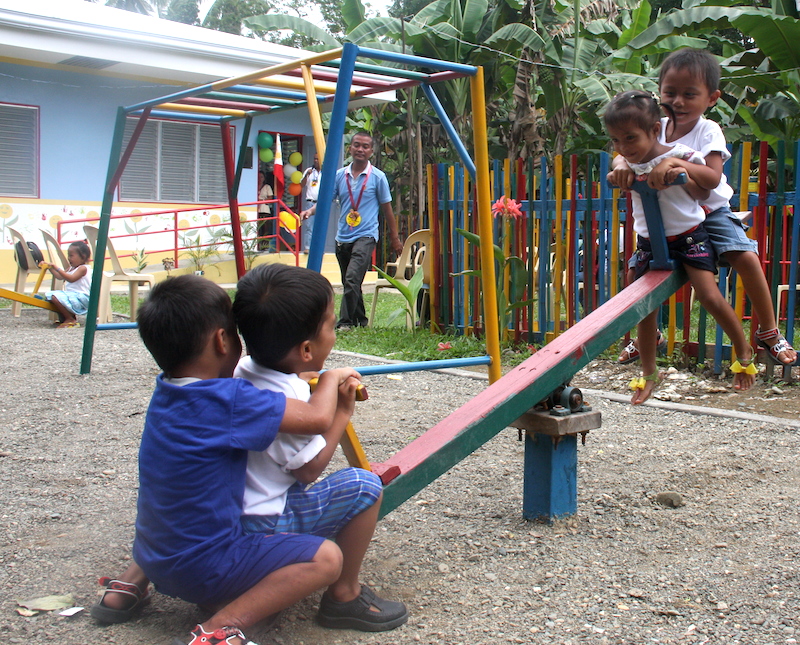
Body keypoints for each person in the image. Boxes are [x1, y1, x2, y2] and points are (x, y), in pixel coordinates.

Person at [91, 274, 361, 645]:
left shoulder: (168, 391)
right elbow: (316, 419)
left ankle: (129, 585)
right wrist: (331, 380)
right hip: (206, 568)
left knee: (176, 509)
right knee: (327, 559)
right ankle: (221, 627)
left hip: (153, 556)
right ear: (222, 340)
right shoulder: (228, 401)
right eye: (235, 334)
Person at [232, 263, 408, 631]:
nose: (334, 331)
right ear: (307, 349)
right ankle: (344, 594)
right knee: (365, 484)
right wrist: (341, 409)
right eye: (330, 324)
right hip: (265, 522)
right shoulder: (289, 398)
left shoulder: (242, 370)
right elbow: (309, 469)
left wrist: (306, 375)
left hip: (230, 516)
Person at [611, 48, 797, 368]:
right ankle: (650, 335)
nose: (678, 101)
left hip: (712, 211)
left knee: (746, 256)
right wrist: (619, 164)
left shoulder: (707, 130)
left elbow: (710, 180)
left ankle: (768, 331)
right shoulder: (654, 125)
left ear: (711, 98)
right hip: (675, 217)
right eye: (670, 92)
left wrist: (675, 163)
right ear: (659, 93)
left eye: (689, 94)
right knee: (638, 272)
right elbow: (624, 148)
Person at [605, 90, 756, 404]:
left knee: (709, 296)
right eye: (616, 140)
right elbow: (617, 161)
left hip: (689, 238)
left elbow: (704, 190)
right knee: (642, 307)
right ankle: (648, 374)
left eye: (630, 139)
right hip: (649, 244)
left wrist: (680, 173)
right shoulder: (627, 164)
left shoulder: (683, 154)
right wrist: (618, 163)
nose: (623, 147)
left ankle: (743, 351)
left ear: (654, 130)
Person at [304, 132, 403, 328]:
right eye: (357, 145)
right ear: (350, 148)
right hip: (343, 236)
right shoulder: (340, 175)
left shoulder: (377, 177)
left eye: (365, 146)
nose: (360, 149)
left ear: (371, 152)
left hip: (366, 236)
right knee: (351, 282)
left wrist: (395, 237)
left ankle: (345, 322)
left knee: (351, 278)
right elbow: (327, 201)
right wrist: (311, 211)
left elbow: (387, 210)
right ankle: (361, 320)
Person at [38, 240, 91, 329]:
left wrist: (57, 267)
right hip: (73, 296)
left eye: (71, 256)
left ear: (83, 257)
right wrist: (50, 267)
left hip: (81, 298)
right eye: (68, 256)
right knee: (51, 297)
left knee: (55, 297)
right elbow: (59, 276)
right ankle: (66, 319)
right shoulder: (71, 268)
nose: (69, 258)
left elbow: (71, 279)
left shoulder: (83, 268)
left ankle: (70, 319)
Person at [300, 153, 321, 254]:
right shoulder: (309, 171)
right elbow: (302, 185)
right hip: (310, 202)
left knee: (320, 226)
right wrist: (307, 175)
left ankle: (319, 248)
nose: (316, 161)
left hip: (321, 203)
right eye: (314, 159)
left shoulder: (326, 172)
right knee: (309, 226)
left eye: (317, 159)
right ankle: (307, 247)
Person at [257, 170, 274, 251]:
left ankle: (264, 246)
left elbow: (270, 197)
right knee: (257, 229)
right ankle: (257, 245)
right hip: (256, 210)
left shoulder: (267, 187)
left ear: (264, 178)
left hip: (264, 209)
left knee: (265, 229)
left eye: (261, 177)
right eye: (258, 176)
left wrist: (262, 201)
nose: (260, 178)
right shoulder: (254, 185)